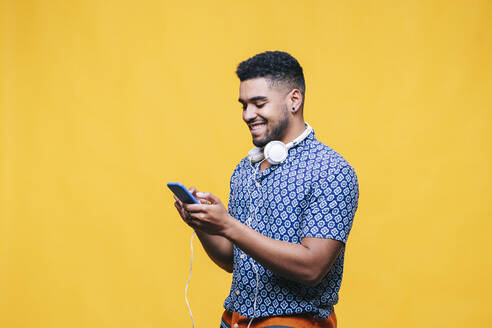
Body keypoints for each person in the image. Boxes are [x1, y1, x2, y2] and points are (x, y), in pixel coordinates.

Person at [173, 51, 359, 328]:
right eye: (243, 105)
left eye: (258, 104)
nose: (248, 115)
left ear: (294, 100)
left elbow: (312, 267)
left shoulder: (330, 170)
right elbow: (235, 262)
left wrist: (227, 225)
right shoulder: (245, 170)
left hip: (294, 322)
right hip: (235, 320)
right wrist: (203, 224)